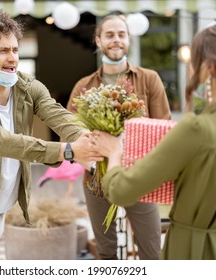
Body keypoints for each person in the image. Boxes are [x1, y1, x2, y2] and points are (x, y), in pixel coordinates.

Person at [93, 21, 216, 259]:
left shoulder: (195, 129)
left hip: (195, 251)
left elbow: (121, 191)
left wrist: (114, 152)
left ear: (209, 68)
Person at [0, 9, 103, 260]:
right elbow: (6, 142)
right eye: (2, 51)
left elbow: (58, 115)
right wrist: (68, 151)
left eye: (15, 50)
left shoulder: (28, 87)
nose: (12, 58)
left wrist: (86, 139)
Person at [66, 14, 171, 260]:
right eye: (110, 35)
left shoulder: (149, 79)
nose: (116, 40)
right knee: (107, 253)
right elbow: (69, 131)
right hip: (96, 180)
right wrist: (92, 164)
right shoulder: (84, 86)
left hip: (139, 177)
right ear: (98, 40)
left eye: (121, 34)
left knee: (151, 251)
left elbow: (163, 127)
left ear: (128, 39)